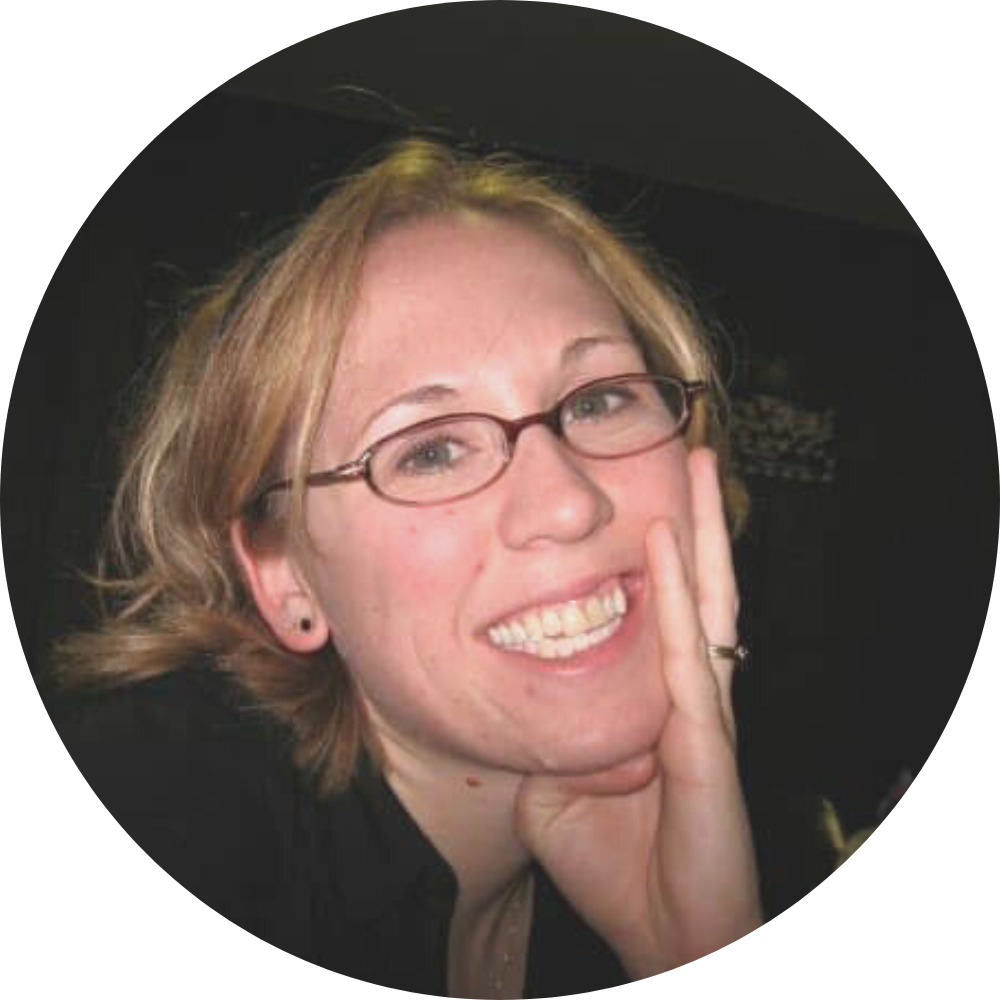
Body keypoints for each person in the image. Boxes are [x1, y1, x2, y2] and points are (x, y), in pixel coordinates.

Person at [48, 136, 762, 999]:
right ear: (285, 578)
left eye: (600, 399)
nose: (567, 504)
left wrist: (699, 963)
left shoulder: (747, 848)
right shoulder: (152, 815)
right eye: (429, 451)